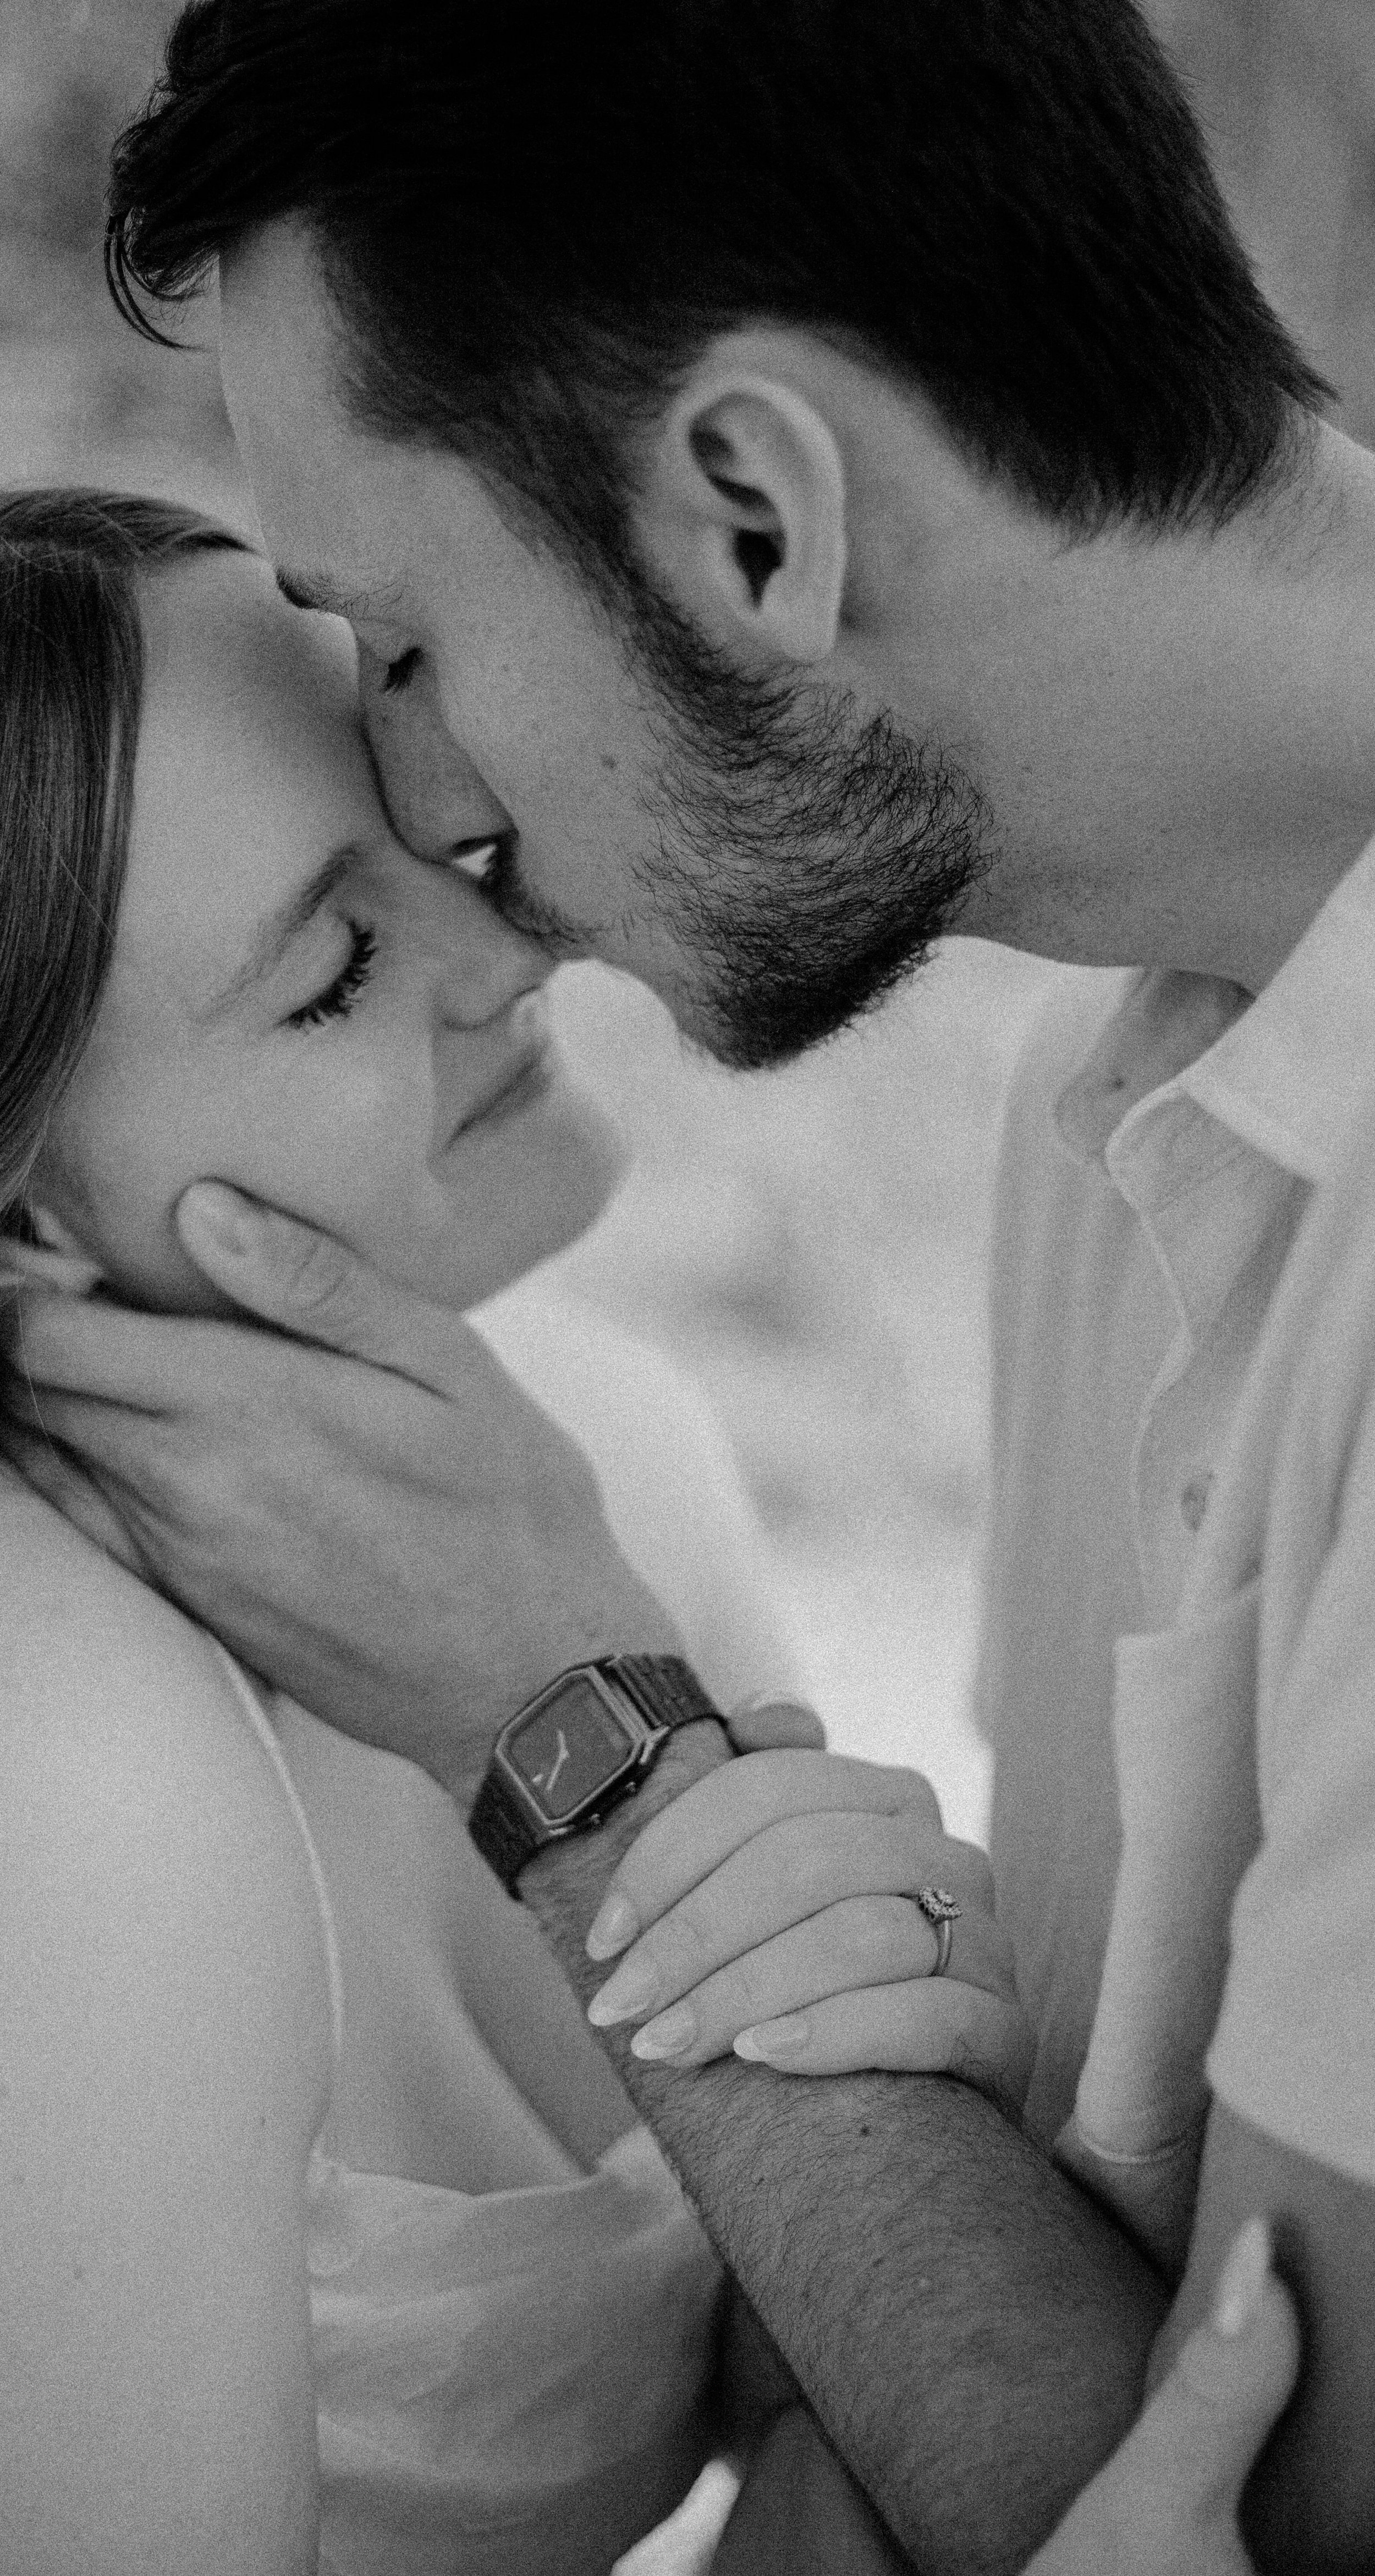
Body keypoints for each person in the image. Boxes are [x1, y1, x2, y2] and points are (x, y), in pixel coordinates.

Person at [10, 0, 1375, 2563]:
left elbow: (1257, 2513)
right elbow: (1012, 2292)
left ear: (757, 511)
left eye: (400, 641)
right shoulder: (1115, 1119)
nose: (432, 818)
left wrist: (575, 1728)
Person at [0, 487, 1038, 2575]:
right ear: (27, 1227)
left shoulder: (599, 1450)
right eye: (339, 968)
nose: (513, 940)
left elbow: (842, 2363)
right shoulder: (60, 1752)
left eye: (432, 840)